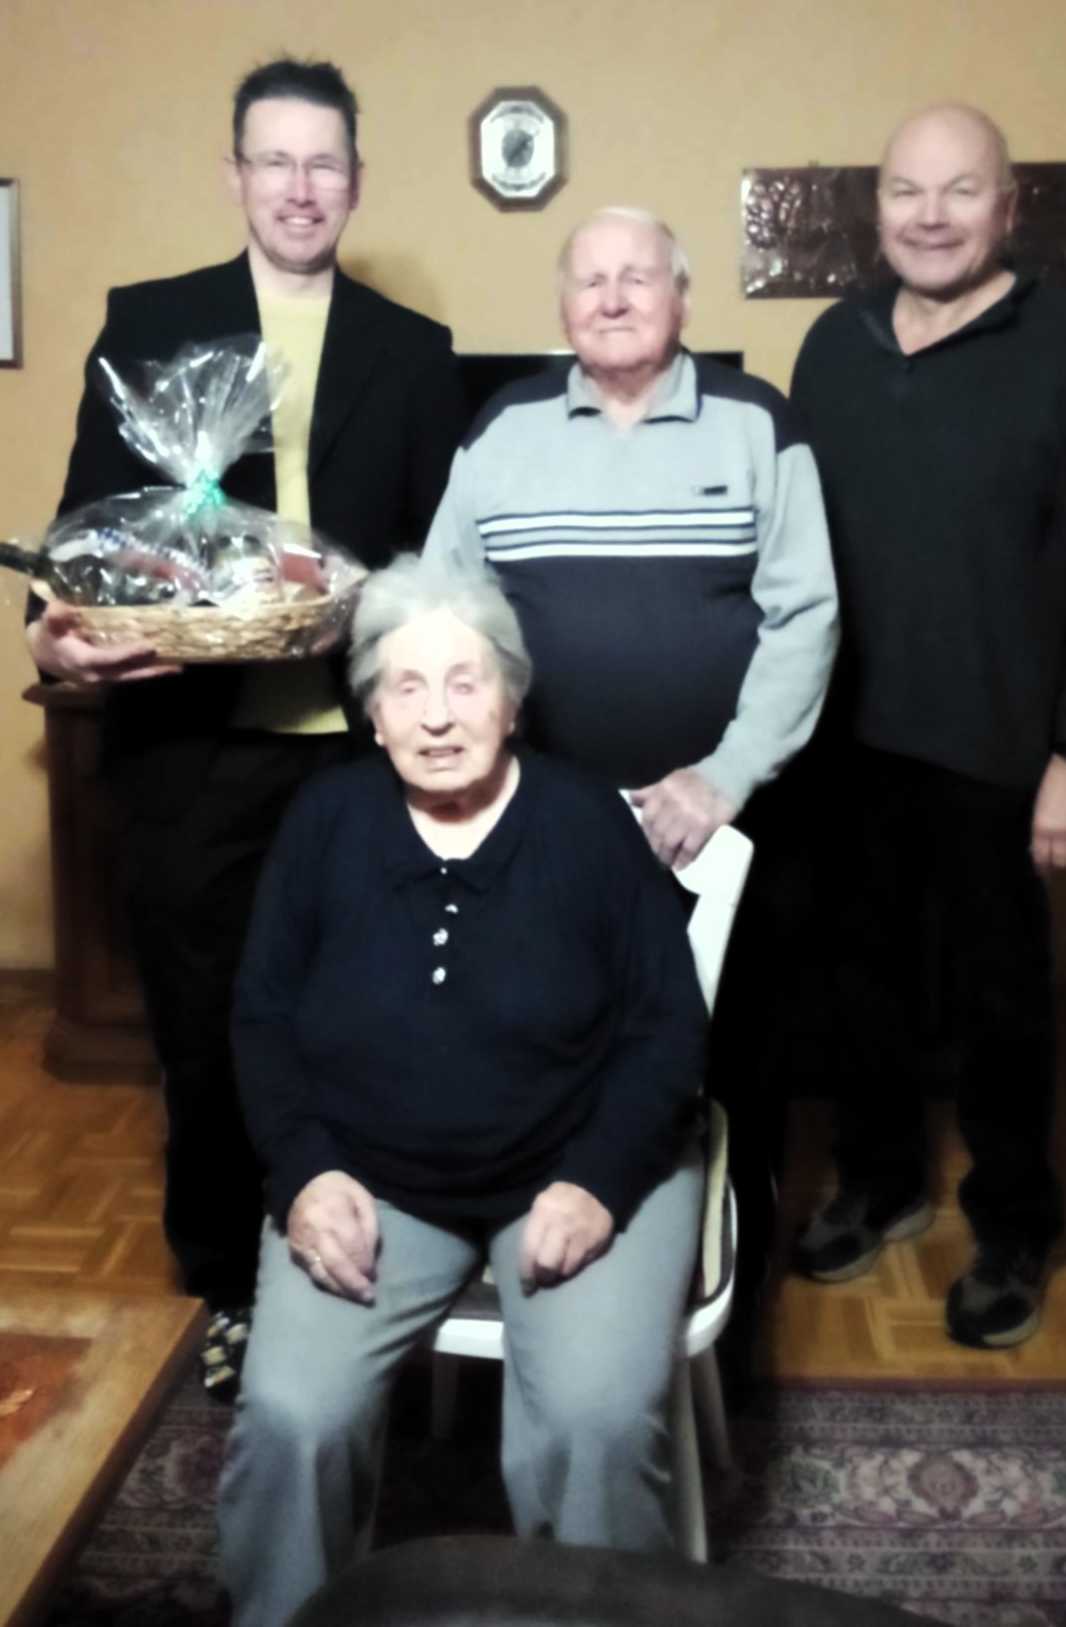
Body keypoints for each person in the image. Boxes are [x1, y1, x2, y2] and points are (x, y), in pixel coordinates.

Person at [28, 57, 468, 1395]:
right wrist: (53, 629)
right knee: (208, 1032)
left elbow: (435, 558)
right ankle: (228, 1280)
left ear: (355, 183)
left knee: (365, 1021)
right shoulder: (149, 325)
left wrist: (365, 612)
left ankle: (360, 1270)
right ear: (233, 177)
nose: (298, 185)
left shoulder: (413, 353)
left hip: (356, 756)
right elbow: (83, 543)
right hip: (192, 759)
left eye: (323, 162)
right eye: (272, 160)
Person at [218, 557, 710, 1626]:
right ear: (373, 714)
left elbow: (670, 1029)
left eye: (466, 681)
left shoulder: (587, 824)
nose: (438, 717)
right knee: (294, 1414)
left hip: (574, 1164)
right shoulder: (324, 821)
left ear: (513, 696)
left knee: (594, 1420)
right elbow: (259, 1016)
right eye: (406, 687)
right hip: (372, 1175)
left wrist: (597, 1179)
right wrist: (304, 1174)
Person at [423, 206, 839, 1340]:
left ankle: (732, 1299)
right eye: (590, 280)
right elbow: (448, 611)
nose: (612, 298)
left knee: (734, 1060)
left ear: (682, 298)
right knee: (553, 1049)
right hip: (542, 834)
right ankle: (564, 1279)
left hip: (728, 821)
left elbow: (807, 614)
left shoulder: (760, 425)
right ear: (562, 306)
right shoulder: (500, 430)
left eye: (638, 277)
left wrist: (724, 777)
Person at [788, 102, 1066, 1348]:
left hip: (1005, 748)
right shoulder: (831, 346)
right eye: (906, 190)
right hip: (846, 742)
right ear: (876, 204)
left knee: (1006, 1001)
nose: (930, 215)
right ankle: (882, 1180)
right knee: (861, 986)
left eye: (960, 192)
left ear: (1009, 208)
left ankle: (1013, 1224)